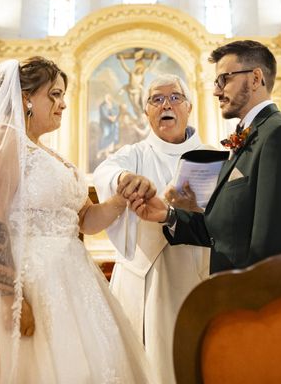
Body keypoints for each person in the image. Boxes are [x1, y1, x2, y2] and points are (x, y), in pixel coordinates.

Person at [0, 57, 151, 382]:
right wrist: (12, 298)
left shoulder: (44, 151)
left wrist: (121, 199)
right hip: (28, 284)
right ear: (26, 97)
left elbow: (86, 220)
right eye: (54, 94)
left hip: (71, 282)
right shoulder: (3, 141)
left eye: (63, 95)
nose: (63, 104)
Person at [128, 40, 281, 273]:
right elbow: (225, 231)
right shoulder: (249, 137)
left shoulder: (280, 135)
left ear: (256, 78)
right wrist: (168, 215)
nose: (217, 90)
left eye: (223, 79)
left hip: (251, 296)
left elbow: (274, 244)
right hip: (228, 289)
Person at [94, 74, 210, 384]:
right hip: (143, 277)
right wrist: (123, 181)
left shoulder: (214, 156)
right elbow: (106, 170)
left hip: (195, 272)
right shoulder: (134, 154)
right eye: (156, 99)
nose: (165, 105)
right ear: (147, 112)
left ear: (188, 107)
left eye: (174, 98)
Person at [96, 93, 119, 159]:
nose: (108, 99)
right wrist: (110, 118)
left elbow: (116, 112)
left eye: (109, 98)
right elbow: (103, 114)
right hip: (105, 123)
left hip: (112, 124)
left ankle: (108, 152)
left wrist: (114, 117)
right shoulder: (102, 106)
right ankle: (102, 149)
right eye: (107, 98)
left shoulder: (113, 105)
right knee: (106, 134)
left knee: (113, 135)